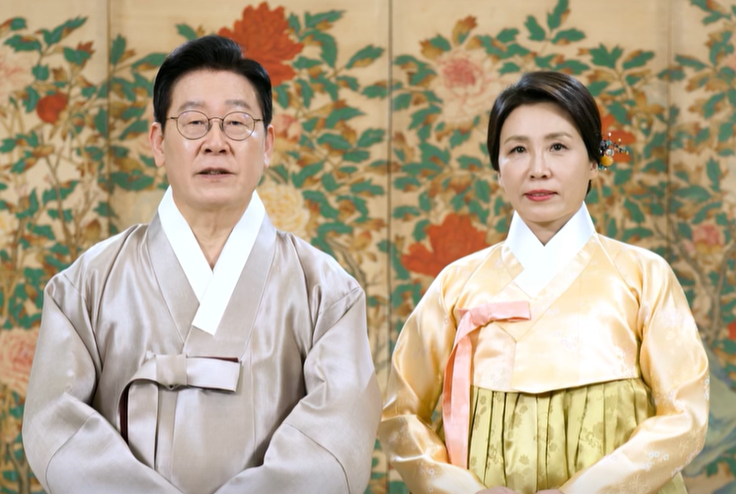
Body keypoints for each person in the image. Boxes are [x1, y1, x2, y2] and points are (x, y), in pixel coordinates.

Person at [22, 35, 381, 494]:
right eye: (194, 122)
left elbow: (336, 443)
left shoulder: (328, 294)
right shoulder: (85, 287)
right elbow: (55, 426)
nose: (216, 142)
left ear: (267, 144)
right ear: (158, 143)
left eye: (237, 122)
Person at [378, 71, 709, 494]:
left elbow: (685, 416)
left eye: (558, 147)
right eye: (517, 150)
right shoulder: (456, 286)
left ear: (594, 161)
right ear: (498, 170)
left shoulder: (644, 276)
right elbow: (400, 416)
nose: (538, 169)